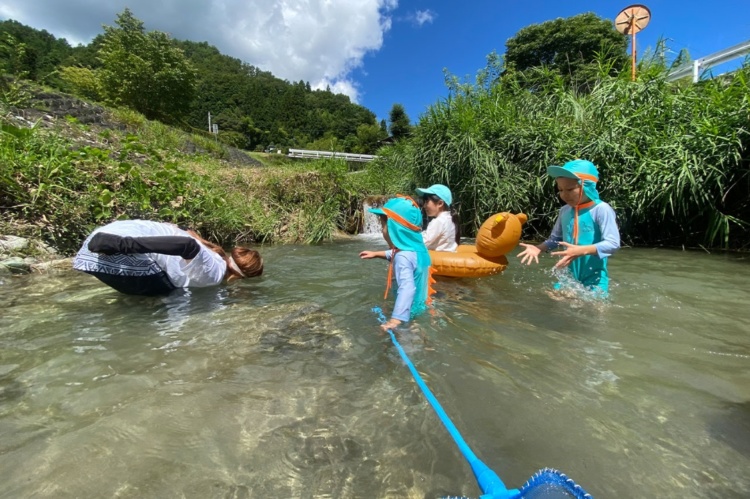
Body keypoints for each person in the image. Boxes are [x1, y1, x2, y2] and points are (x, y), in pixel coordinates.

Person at [73, 220, 263, 296]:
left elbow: (187, 238)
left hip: (108, 233)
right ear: (239, 277)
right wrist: (122, 244)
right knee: (169, 290)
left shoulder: (217, 255)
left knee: (173, 283)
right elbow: (187, 246)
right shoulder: (214, 275)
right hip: (112, 246)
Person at [517, 159, 620, 295]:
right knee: (554, 302)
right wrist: (538, 248)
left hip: (594, 278)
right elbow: (555, 239)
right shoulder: (564, 211)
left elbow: (613, 243)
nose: (564, 195)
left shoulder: (600, 209)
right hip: (569, 278)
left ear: (587, 186)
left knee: (596, 311)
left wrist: (581, 250)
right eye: (560, 190)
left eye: (570, 189)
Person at [359, 196, 434, 331]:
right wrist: (377, 254)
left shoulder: (402, 257)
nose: (382, 231)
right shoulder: (419, 250)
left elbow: (407, 288)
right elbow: (406, 259)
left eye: (383, 226)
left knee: (404, 344)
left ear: (394, 229)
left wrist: (395, 320)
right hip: (420, 307)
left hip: (407, 316)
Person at [415, 184, 460, 252]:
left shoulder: (439, 221)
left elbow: (422, 242)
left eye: (427, 201)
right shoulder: (450, 218)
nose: (424, 206)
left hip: (437, 259)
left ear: (440, 203)